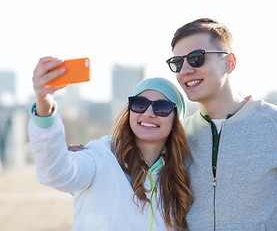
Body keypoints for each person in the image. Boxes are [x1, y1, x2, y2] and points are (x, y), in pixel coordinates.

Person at [165, 18, 277, 230]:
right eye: (178, 62)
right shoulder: (179, 136)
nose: (185, 70)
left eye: (197, 58)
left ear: (229, 62)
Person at [28, 57, 193, 231]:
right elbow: (55, 173)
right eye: (139, 104)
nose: (149, 113)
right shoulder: (101, 157)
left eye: (162, 107)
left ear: (176, 119)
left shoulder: (181, 176)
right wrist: (44, 109)